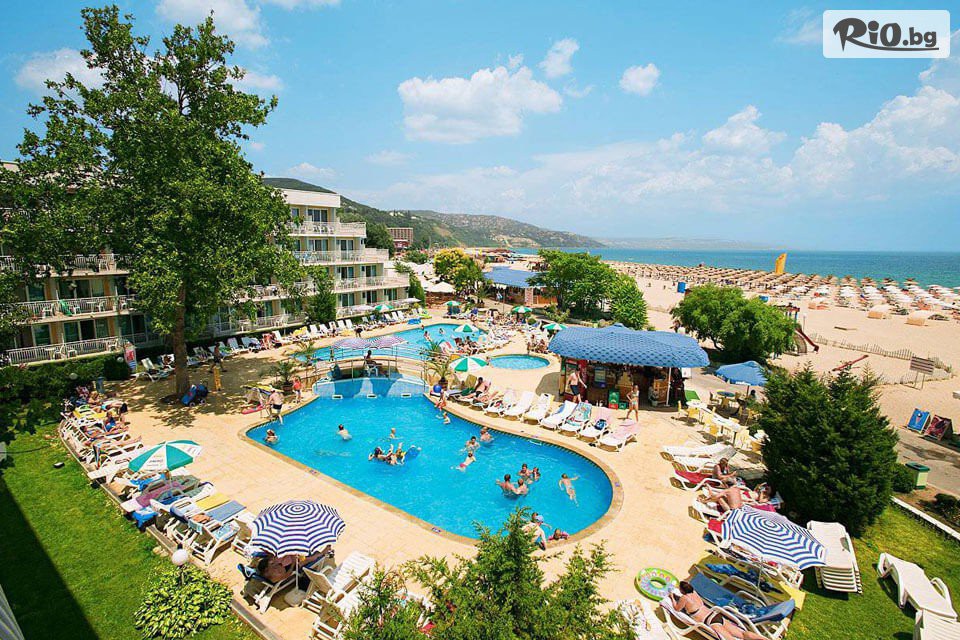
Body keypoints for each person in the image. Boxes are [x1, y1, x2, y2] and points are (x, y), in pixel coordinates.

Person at [668, 581, 766, 640]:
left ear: (682, 591)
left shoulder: (684, 598)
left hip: (709, 621)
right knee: (743, 634)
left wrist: (672, 597)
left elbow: (677, 609)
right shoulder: (694, 592)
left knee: (731, 639)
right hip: (716, 615)